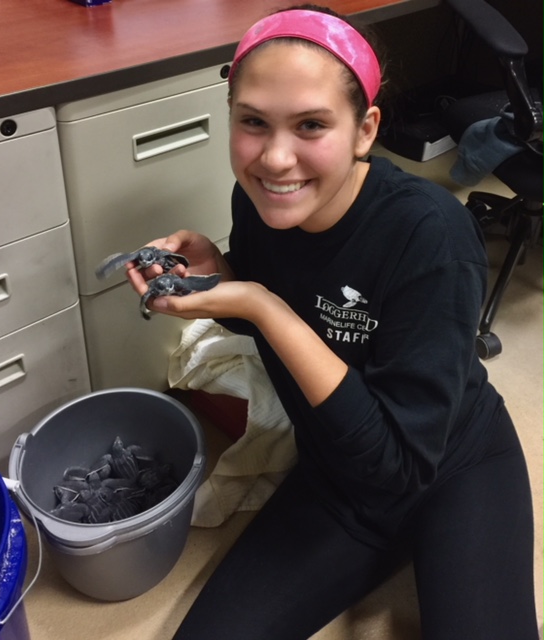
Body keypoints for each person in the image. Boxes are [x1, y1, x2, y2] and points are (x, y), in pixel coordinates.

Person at [127, 5, 539, 639]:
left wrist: (259, 300)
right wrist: (229, 278)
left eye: (312, 124)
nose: (275, 159)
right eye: (253, 123)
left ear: (365, 129)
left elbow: (400, 465)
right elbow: (286, 316)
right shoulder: (260, 197)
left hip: (451, 465)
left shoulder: (431, 234)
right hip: (340, 472)